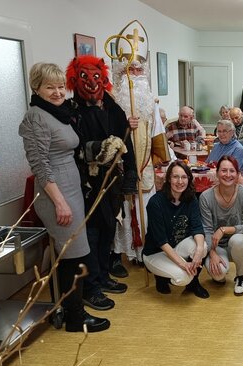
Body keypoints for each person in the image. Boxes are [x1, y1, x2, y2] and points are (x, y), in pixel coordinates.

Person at [19, 62, 110, 333]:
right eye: (50, 87)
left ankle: (70, 308)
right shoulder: (36, 117)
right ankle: (75, 318)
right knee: (75, 254)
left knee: (73, 252)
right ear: (36, 88)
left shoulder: (58, 113)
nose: (58, 92)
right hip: (56, 193)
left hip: (71, 188)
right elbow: (40, 166)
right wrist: (59, 202)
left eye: (60, 86)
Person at [66, 55, 138, 311]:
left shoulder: (110, 105)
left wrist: (130, 173)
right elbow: (74, 147)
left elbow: (125, 139)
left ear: (103, 78)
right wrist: (100, 149)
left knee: (108, 229)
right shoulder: (72, 110)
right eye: (85, 77)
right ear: (75, 80)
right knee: (92, 233)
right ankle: (91, 287)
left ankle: (104, 275)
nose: (92, 83)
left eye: (96, 77)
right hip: (87, 183)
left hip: (112, 182)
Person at [109, 40, 159, 275]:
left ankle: (145, 254)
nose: (136, 75)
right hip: (119, 170)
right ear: (121, 73)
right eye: (131, 70)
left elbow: (158, 135)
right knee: (123, 216)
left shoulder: (150, 102)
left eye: (139, 70)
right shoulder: (111, 103)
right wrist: (125, 127)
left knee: (145, 212)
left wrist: (159, 163)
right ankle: (122, 254)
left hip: (146, 167)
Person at [142, 161, 209, 298]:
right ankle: (161, 277)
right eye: (175, 177)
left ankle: (193, 284)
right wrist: (183, 265)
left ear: (189, 179)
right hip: (156, 252)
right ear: (168, 179)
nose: (180, 181)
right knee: (183, 277)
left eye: (184, 177)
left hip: (177, 246)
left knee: (203, 247)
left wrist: (199, 251)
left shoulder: (191, 199)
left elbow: (197, 227)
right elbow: (161, 241)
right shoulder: (156, 203)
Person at [199, 156, 243, 296]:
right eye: (224, 170)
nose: (228, 175)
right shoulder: (206, 197)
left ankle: (240, 276)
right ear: (217, 173)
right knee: (218, 275)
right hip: (216, 246)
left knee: (237, 240)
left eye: (232, 171)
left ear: (238, 174)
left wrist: (223, 230)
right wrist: (211, 252)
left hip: (240, 244)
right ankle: (220, 267)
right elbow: (206, 230)